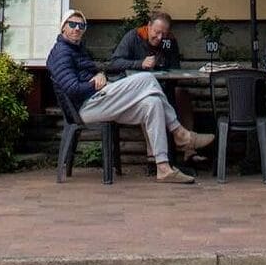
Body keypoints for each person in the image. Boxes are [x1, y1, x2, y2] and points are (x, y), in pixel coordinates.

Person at [47, 9, 214, 184]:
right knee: (147, 79)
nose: (77, 28)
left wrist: (99, 74)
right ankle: (180, 134)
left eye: (81, 25)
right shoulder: (61, 52)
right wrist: (94, 82)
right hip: (84, 107)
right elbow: (73, 89)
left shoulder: (77, 48)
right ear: (63, 28)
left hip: (98, 100)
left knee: (153, 102)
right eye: (72, 24)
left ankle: (163, 167)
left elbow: (90, 72)